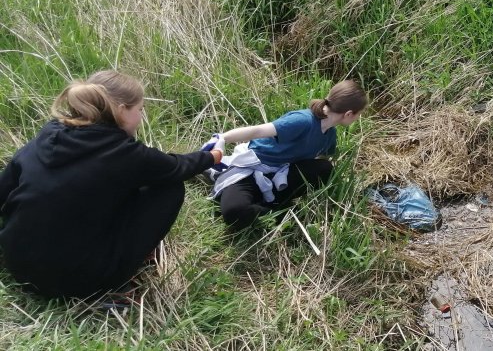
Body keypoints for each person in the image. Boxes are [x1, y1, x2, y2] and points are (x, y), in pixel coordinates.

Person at [0, 70, 224, 299]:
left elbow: (4, 186)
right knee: (169, 187)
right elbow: (176, 167)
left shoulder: (49, 134)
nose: (140, 117)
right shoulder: (124, 153)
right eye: (139, 110)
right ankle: (127, 265)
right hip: (77, 281)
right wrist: (213, 156)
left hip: (18, 265)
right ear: (120, 110)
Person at [208, 80, 367, 231]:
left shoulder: (330, 134)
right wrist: (222, 138)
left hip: (280, 174)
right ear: (348, 114)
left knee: (325, 168)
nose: (358, 118)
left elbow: (320, 163)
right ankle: (275, 213)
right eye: (359, 114)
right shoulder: (302, 120)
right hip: (251, 169)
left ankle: (272, 205)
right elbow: (257, 131)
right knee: (234, 212)